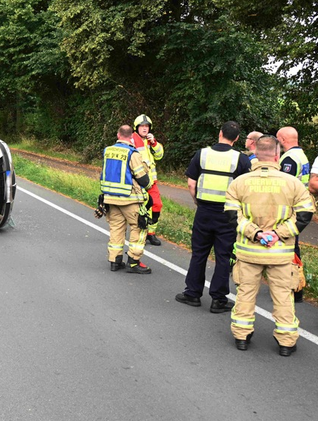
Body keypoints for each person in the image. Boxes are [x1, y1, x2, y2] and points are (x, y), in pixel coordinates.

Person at [224, 135, 313, 355]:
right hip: (280, 253)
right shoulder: (292, 183)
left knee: (245, 295)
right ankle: (286, 342)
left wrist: (256, 233)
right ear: (277, 155)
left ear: (255, 154)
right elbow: (304, 214)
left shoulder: (239, 182)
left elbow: (231, 216)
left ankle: (241, 336)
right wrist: (277, 234)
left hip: (248, 252)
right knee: (283, 297)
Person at [176, 121, 252, 312]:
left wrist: (197, 202)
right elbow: (246, 189)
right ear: (236, 138)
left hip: (204, 211)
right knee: (223, 256)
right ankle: (218, 300)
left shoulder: (202, 154)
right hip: (228, 215)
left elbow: (191, 183)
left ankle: (192, 293)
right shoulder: (241, 159)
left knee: (199, 253)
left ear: (220, 133)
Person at [100, 124, 153, 273]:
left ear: (118, 135)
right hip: (129, 200)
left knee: (116, 229)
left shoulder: (107, 151)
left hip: (110, 198)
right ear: (131, 137)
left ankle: (115, 261)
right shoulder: (133, 154)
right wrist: (149, 184)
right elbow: (143, 179)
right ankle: (133, 261)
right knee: (139, 228)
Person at [276, 126, 310, 302]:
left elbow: (283, 184)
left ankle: (294, 288)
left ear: (282, 139)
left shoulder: (289, 159)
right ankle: (294, 286)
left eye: (278, 139)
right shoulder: (301, 155)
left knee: (290, 246)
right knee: (292, 246)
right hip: (298, 206)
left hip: (290, 208)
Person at [131, 114, 165, 246]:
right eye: (142, 126)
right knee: (139, 208)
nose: (145, 129)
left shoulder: (150, 141)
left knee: (157, 205)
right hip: (137, 182)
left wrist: (154, 143)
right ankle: (140, 233)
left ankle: (151, 234)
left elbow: (160, 155)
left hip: (151, 182)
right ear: (137, 127)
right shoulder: (132, 139)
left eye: (147, 126)